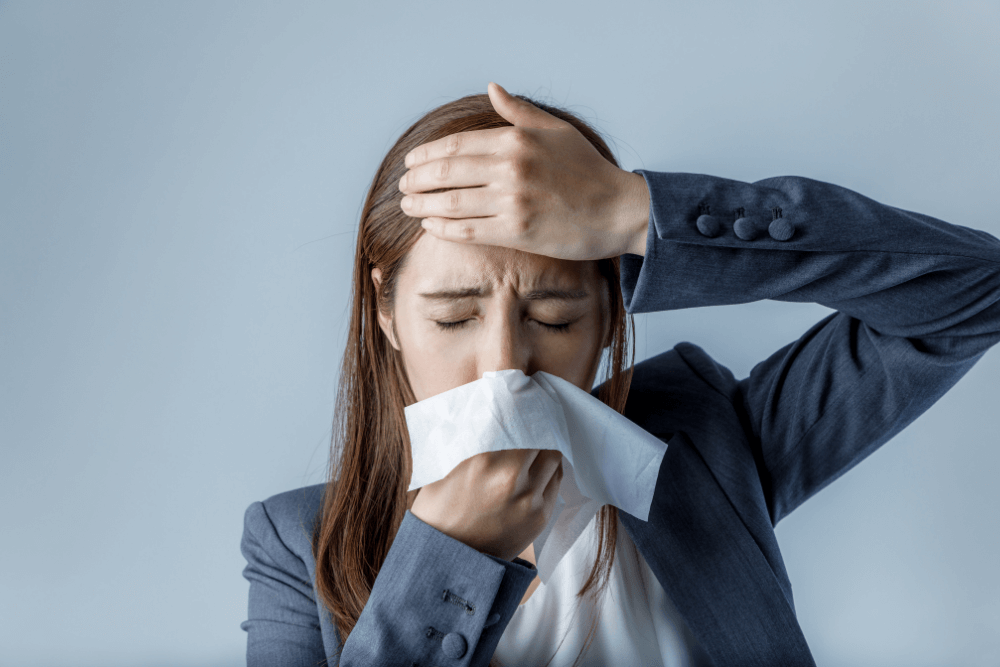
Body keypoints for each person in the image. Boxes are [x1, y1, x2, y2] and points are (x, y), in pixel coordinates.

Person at [239, 82, 1000, 667]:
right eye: (453, 317)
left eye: (555, 317)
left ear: (611, 315)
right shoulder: (296, 541)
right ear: (385, 313)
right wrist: (450, 555)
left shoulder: (705, 443)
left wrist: (641, 211)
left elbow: (975, 294)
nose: (505, 365)